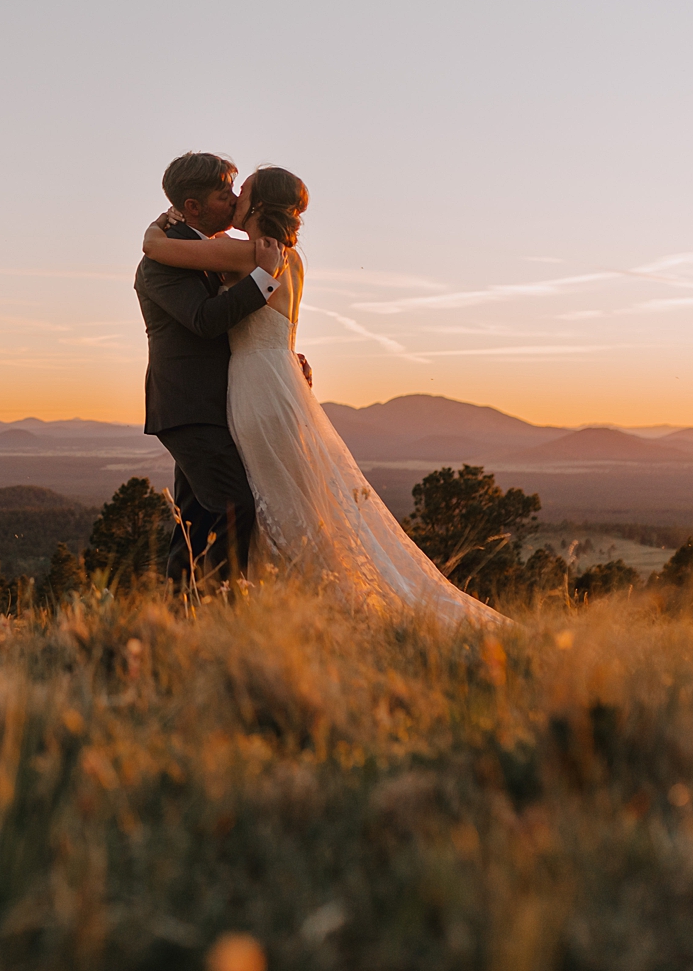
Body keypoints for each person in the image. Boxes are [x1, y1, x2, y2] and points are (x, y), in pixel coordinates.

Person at [140, 164, 502, 624]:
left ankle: (246, 609)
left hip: (255, 389)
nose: (234, 199)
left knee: (255, 501)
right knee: (274, 500)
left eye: (241, 191)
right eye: (229, 191)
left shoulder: (248, 253)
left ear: (259, 205)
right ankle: (232, 609)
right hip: (273, 381)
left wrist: (154, 230)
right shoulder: (286, 256)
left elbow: (159, 252)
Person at [133, 153, 281, 586]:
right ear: (193, 207)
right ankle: (223, 608)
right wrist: (262, 279)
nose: (234, 201)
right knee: (233, 507)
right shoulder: (160, 262)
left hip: (218, 404)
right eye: (224, 194)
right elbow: (204, 319)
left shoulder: (199, 248)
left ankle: (184, 612)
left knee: (196, 521)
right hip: (188, 405)